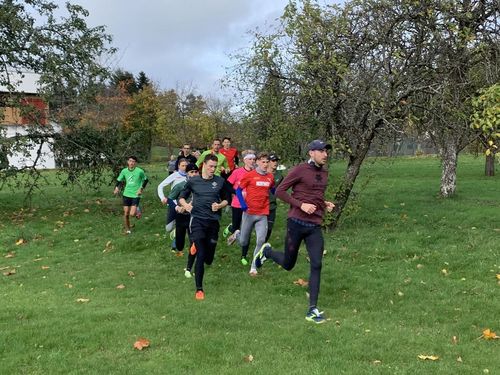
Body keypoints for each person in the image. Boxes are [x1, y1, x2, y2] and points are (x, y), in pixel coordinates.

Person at [253, 140, 335, 324]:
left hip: (314, 225)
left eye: (326, 151)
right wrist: (300, 205)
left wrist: (324, 203)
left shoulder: (324, 173)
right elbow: (280, 191)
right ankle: (266, 252)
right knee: (289, 264)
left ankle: (312, 309)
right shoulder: (299, 170)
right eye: (321, 151)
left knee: (317, 264)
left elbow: (316, 195)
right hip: (296, 222)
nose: (325, 154)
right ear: (311, 152)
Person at [178, 154, 231, 300]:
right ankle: (199, 289)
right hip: (197, 220)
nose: (213, 169)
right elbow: (181, 197)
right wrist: (186, 205)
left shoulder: (220, 181)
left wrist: (219, 205)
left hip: (213, 222)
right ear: (204, 165)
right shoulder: (193, 181)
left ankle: (197, 245)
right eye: (210, 166)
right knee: (201, 255)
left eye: (215, 166)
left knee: (209, 259)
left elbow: (228, 199)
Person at [227, 153, 274, 275]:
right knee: (243, 242)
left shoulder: (270, 177)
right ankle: (237, 234)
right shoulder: (250, 176)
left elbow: (273, 189)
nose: (265, 164)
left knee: (260, 241)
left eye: (267, 162)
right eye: (263, 162)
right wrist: (242, 204)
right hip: (249, 213)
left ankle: (253, 267)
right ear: (257, 162)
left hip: (263, 213)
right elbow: (238, 189)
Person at [167, 163, 199, 270]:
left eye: (196, 172)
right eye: (191, 172)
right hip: (181, 216)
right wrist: (177, 208)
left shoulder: (202, 186)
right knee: (180, 245)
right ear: (187, 173)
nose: (194, 174)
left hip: (195, 217)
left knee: (193, 241)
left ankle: (190, 265)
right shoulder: (180, 185)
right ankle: (176, 233)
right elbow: (170, 199)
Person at [223, 150, 256, 241]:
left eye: (254, 159)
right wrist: (236, 192)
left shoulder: (256, 173)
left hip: (250, 204)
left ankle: (243, 242)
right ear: (244, 160)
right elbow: (227, 185)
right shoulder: (237, 172)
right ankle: (231, 228)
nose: (252, 161)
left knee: (247, 226)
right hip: (237, 203)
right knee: (236, 226)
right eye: (250, 159)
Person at [157, 159, 189, 249]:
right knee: (168, 228)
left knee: (181, 224)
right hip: (173, 203)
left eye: (186, 166)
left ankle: (175, 245)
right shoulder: (174, 175)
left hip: (184, 205)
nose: (185, 168)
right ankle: (174, 232)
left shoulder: (190, 176)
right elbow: (160, 186)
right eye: (183, 165)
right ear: (178, 166)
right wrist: (162, 198)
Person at [113, 156, 149, 234]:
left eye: (133, 161)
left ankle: (137, 209)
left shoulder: (140, 171)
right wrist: (116, 188)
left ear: (135, 163)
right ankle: (128, 229)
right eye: (130, 161)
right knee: (126, 214)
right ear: (128, 162)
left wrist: (141, 189)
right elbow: (119, 180)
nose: (131, 163)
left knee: (132, 214)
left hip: (136, 194)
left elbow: (146, 180)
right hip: (126, 194)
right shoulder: (124, 171)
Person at [265, 153, 284, 242]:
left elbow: (281, 189)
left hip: (272, 205)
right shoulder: (262, 173)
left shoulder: (280, 176)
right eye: (273, 161)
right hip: (260, 204)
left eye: (276, 161)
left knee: (269, 228)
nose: (275, 163)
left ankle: (263, 245)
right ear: (268, 162)